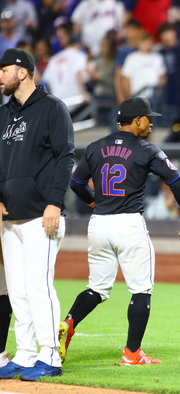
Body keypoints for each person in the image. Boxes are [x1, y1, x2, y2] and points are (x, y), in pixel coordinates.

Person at [58, 97, 180, 365]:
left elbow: (75, 184)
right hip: (128, 224)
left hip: (98, 224)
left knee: (97, 288)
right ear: (137, 121)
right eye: (148, 118)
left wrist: (93, 202)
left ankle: (69, 322)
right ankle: (132, 353)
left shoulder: (96, 146)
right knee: (141, 289)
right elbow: (177, 182)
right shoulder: (146, 149)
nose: (152, 124)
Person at [0, 48, 75, 380]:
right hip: (9, 216)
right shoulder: (3, 115)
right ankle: (27, 353)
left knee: (38, 286)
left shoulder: (52, 108)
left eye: (4, 70)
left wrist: (54, 203)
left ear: (23, 72)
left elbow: (64, 157)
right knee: (17, 289)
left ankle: (50, 354)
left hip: (41, 214)